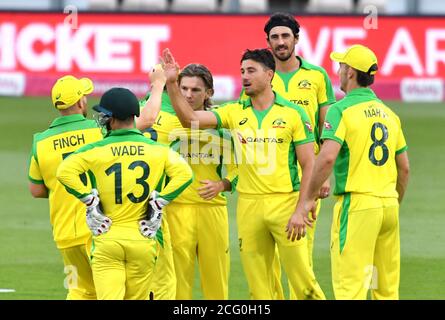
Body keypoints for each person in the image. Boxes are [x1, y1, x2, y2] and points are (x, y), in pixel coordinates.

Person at [163, 47, 325, 300]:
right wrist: (172, 83)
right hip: (248, 208)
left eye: (251, 71)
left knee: (304, 284)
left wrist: (303, 206)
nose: (244, 77)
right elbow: (190, 119)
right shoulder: (233, 112)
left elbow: (309, 165)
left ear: (269, 74)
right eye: (242, 71)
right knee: (259, 290)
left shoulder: (293, 113)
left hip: (285, 205)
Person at [291, 44, 410, 300]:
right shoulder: (390, 115)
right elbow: (404, 169)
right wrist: (393, 203)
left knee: (350, 288)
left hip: (357, 206)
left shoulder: (341, 109)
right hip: (388, 206)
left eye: (342, 66)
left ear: (351, 72)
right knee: (386, 290)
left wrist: (307, 199)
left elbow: (326, 158)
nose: (338, 70)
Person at [56, 87, 193, 300]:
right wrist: (159, 203)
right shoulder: (158, 150)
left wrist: (89, 200)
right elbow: (185, 175)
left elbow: (64, 171)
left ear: (111, 118)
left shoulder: (95, 150)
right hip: (143, 237)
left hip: (107, 235)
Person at [138, 63, 237, 299]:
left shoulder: (222, 123)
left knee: (216, 283)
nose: (188, 95)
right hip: (176, 209)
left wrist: (223, 185)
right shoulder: (165, 121)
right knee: (178, 284)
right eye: (184, 88)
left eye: (195, 90)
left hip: (212, 211)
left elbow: (241, 168)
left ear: (209, 93)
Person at [28, 75, 102, 300]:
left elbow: (36, 190)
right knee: (110, 289)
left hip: (64, 232)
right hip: (99, 228)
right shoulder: (99, 131)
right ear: (81, 102)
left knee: (78, 290)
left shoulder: (40, 141)